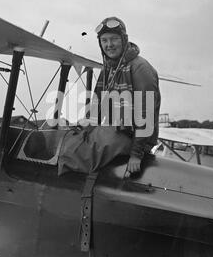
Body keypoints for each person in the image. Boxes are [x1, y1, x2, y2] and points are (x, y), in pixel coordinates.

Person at [57, 16, 160, 177]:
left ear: (124, 40)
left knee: (77, 156)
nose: (109, 45)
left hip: (132, 137)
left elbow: (146, 114)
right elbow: (97, 103)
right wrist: (85, 126)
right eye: (104, 40)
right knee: (71, 140)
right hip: (115, 128)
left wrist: (136, 154)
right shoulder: (110, 67)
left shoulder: (140, 68)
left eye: (114, 39)